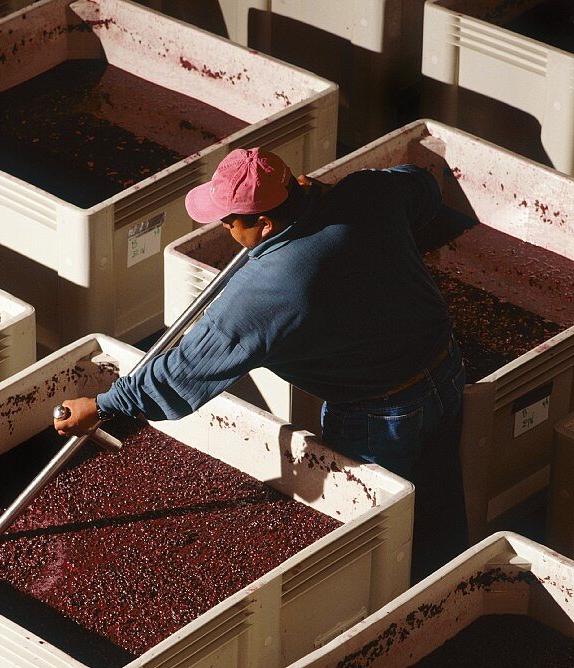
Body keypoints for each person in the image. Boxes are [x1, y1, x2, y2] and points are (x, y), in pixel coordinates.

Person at [54, 147, 468, 575]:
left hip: (381, 414)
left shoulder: (265, 290)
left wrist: (103, 406)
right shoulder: (367, 192)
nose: (225, 228)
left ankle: (403, 595)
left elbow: (180, 374)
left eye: (229, 221)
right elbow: (422, 187)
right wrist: (336, 199)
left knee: (378, 535)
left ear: (265, 223)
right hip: (446, 366)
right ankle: (452, 572)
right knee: (440, 496)